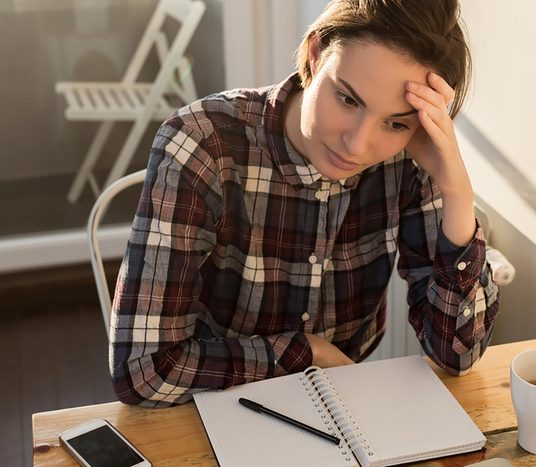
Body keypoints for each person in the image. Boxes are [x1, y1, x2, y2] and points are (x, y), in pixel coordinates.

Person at [110, 0, 500, 407]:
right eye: (348, 100)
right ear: (315, 55)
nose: (358, 144)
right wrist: (306, 352)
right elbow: (144, 371)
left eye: (396, 122)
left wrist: (457, 193)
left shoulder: (411, 156)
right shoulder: (202, 144)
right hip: (206, 400)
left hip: (339, 400)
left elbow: (457, 354)